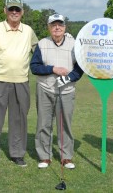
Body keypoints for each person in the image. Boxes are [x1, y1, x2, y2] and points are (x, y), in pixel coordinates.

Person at [0, 0, 38, 171]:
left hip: (21, 82)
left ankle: (17, 154)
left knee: (19, 120)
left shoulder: (28, 31)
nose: (14, 12)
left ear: (22, 12)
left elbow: (39, 54)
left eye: (17, 9)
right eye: (11, 9)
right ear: (5, 10)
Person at [30, 14, 83, 169]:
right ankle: (44, 156)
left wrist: (68, 78)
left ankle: (66, 157)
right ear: (49, 27)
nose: (57, 28)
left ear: (65, 27)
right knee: (43, 123)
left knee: (65, 124)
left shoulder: (74, 44)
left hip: (66, 90)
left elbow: (80, 68)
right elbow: (34, 67)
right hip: (45, 88)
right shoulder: (42, 44)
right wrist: (53, 69)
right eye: (53, 25)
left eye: (60, 25)